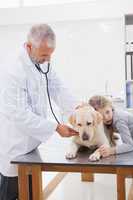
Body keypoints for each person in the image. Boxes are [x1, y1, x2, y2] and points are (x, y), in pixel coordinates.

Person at [0, 24, 79, 200]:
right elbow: (18, 113)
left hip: (31, 147)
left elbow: (57, 87)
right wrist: (55, 127)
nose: (48, 59)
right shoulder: (12, 69)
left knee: (29, 192)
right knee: (10, 193)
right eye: (44, 55)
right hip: (16, 145)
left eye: (51, 54)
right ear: (29, 47)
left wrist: (76, 109)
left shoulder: (40, 61)